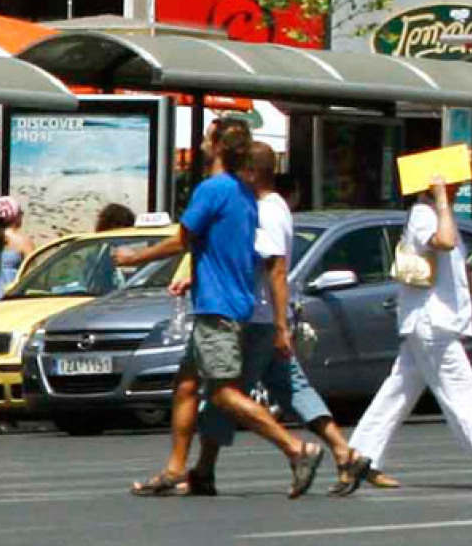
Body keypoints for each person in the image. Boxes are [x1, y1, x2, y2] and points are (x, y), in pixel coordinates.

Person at [114, 119, 324, 499]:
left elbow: (183, 238)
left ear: (215, 145)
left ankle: (297, 449)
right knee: (187, 384)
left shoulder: (213, 190)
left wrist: (135, 257)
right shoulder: (244, 194)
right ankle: (179, 469)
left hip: (218, 307)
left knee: (225, 393)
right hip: (230, 302)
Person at [188, 141, 395, 496]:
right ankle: (345, 453)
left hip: (255, 318)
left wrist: (281, 326)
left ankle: (214, 468)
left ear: (252, 173)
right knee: (294, 389)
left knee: (224, 395)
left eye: (240, 171)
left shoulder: (263, 210)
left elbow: (277, 270)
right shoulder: (277, 206)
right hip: (268, 318)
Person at [339, 174, 472, 495]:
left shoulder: (444, 216)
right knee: (463, 393)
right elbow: (444, 242)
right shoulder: (424, 215)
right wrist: (440, 199)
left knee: (397, 393)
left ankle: (360, 457)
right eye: (453, 185)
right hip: (432, 322)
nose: (459, 190)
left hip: (431, 322)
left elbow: (464, 271)